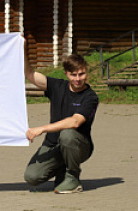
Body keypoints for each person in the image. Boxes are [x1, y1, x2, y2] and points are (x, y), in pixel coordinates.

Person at [24, 53, 98, 194]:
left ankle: (73, 178)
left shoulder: (90, 97)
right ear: (66, 74)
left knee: (67, 134)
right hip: (53, 145)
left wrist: (42, 129)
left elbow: (75, 122)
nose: (78, 79)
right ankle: (62, 170)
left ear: (86, 72)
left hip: (79, 146)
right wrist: (22, 47)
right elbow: (29, 73)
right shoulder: (57, 86)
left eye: (81, 74)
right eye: (73, 75)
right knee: (32, 177)